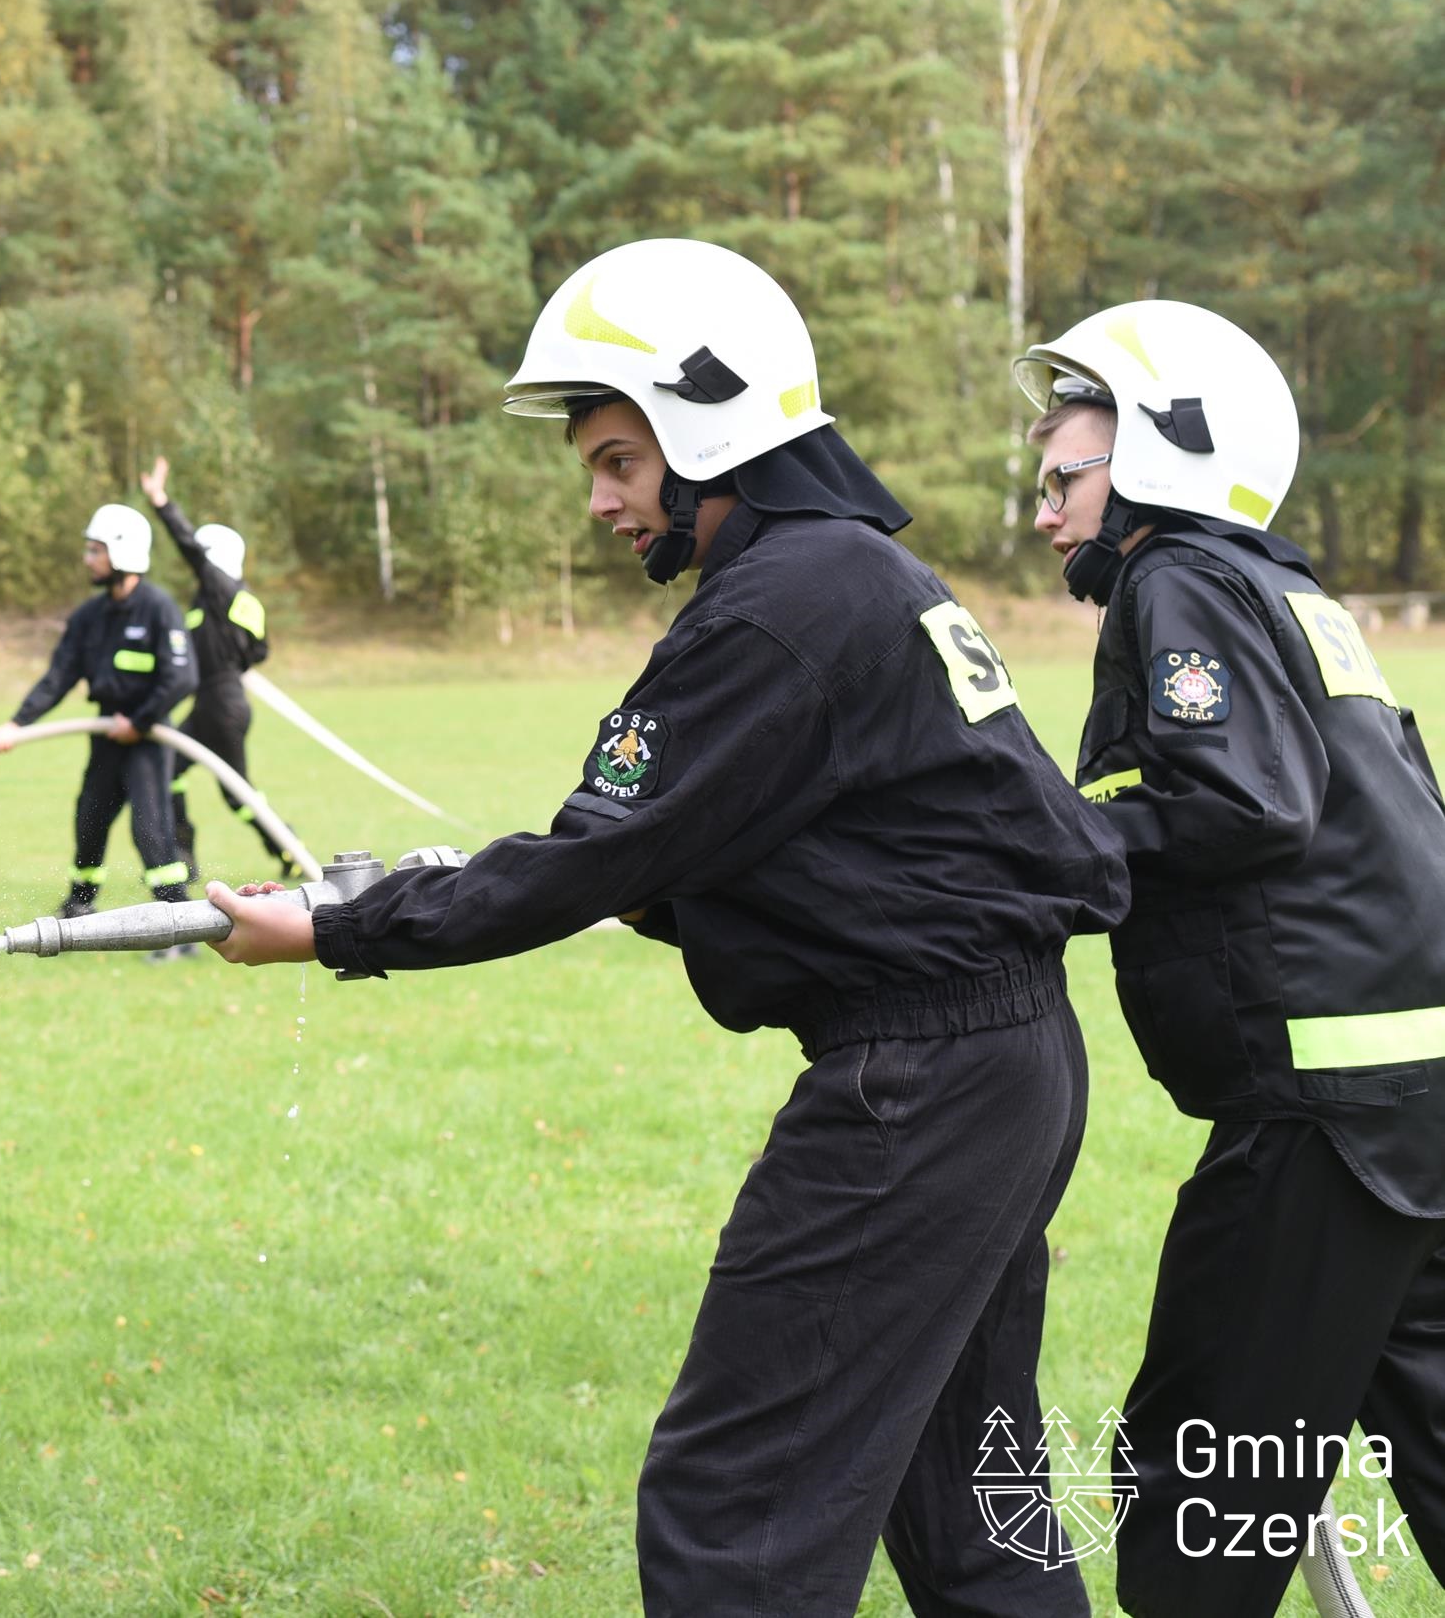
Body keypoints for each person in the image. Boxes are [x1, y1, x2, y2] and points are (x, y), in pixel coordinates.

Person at [206, 238, 1130, 1617]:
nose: (598, 501)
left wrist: (338, 928)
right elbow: (840, 851)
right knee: (969, 1511)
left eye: (621, 462)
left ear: (715, 433)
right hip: (1006, 1063)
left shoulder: (780, 612)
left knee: (735, 1512)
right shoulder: (861, 580)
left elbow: (599, 854)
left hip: (918, 1092)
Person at [1018, 300, 1445, 1617]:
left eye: (1062, 481)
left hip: (1321, 1113)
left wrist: (1047, 841)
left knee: (1201, 1473)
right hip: (1413, 1090)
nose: (1042, 514)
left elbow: (1247, 803)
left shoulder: (1180, 575)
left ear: (1158, 459)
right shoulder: (1291, 590)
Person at [0, 503, 198, 920]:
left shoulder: (158, 609)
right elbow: (58, 677)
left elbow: (182, 677)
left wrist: (138, 723)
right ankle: (79, 904)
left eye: (94, 550)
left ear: (123, 552)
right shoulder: (90, 617)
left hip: (147, 739)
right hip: (105, 736)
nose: (88, 560)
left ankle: (180, 920)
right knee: (90, 820)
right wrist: (16, 724)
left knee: (150, 832)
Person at [139, 455, 298, 893]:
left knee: (236, 793)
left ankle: (288, 848)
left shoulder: (220, 590)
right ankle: (185, 853)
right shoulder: (239, 601)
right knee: (172, 770)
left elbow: (190, 548)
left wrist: (162, 503)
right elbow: (259, 651)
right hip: (216, 702)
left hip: (221, 704)